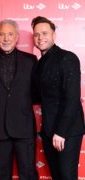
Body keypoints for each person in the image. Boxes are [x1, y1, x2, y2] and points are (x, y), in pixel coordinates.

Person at [31, 16, 85, 180]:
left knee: (67, 177)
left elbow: (72, 98)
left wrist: (61, 132)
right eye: (36, 34)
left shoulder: (67, 58)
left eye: (45, 33)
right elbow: (36, 96)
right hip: (48, 131)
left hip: (67, 131)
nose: (40, 37)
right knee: (57, 176)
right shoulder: (39, 64)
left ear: (54, 35)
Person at [0, 20, 38, 180]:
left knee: (28, 174)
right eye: (2, 34)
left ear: (17, 37)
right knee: (1, 175)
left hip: (24, 128)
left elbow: (39, 91)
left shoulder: (31, 60)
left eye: (10, 34)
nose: (6, 38)